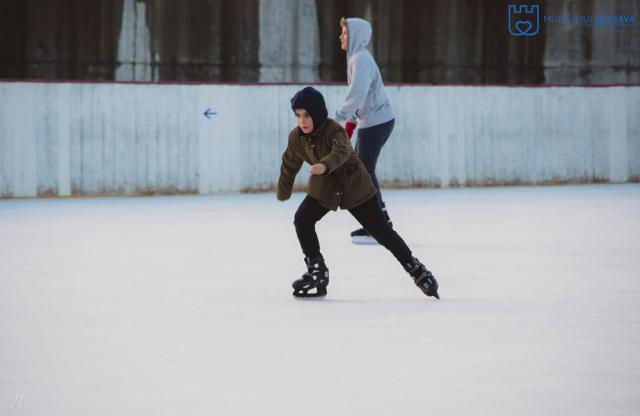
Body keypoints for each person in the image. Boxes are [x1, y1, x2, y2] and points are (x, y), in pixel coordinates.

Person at [277, 86, 439, 299]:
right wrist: (284, 186)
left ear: (317, 113)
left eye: (306, 115)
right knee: (302, 219)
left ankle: (416, 269)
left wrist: (324, 165)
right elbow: (290, 161)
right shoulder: (296, 137)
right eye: (297, 115)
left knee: (381, 231)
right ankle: (317, 271)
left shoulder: (334, 130)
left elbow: (341, 152)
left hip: (353, 184)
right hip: (325, 186)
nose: (302, 121)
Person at [335, 17, 396, 244]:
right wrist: (350, 124)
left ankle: (380, 225)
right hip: (373, 121)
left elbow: (357, 94)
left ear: (356, 36)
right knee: (363, 170)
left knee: (364, 171)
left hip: (377, 122)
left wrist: (339, 117)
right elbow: (360, 97)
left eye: (344, 33)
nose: (341, 37)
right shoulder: (355, 59)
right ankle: (379, 222)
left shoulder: (360, 59)